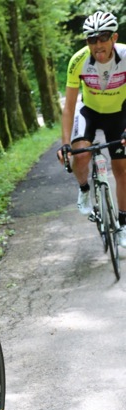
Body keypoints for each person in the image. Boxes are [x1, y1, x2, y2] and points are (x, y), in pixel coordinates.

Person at [58, 10, 126, 247]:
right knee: (81, 154)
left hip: (119, 113)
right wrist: (65, 144)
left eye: (103, 37)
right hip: (89, 112)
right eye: (91, 39)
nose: (97, 44)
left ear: (114, 38)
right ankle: (85, 188)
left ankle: (123, 225)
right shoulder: (78, 60)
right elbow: (68, 108)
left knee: (122, 169)